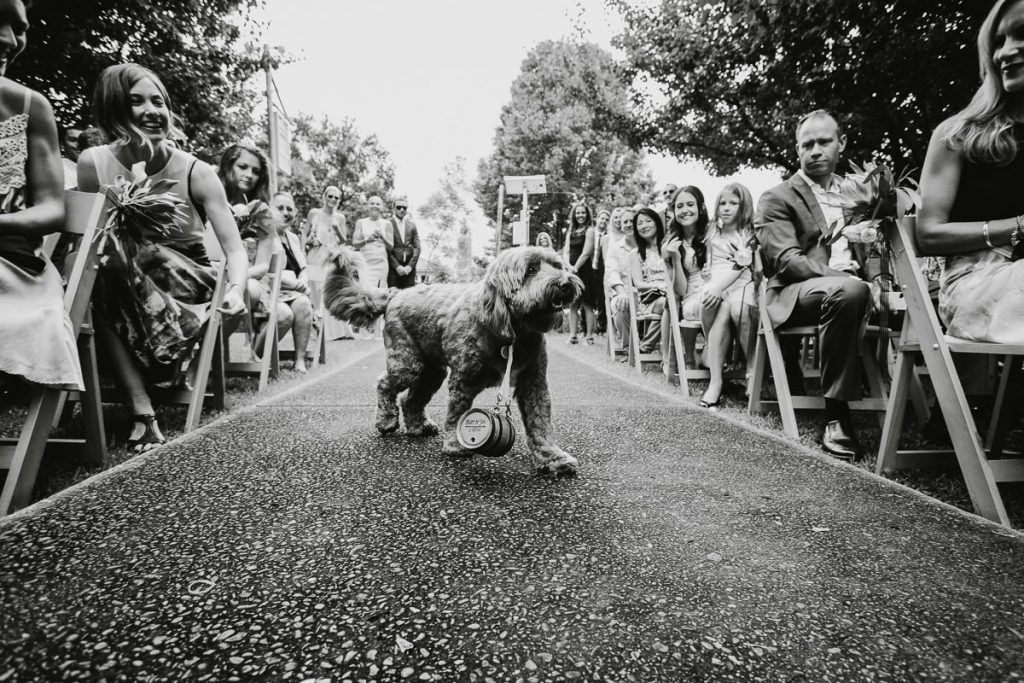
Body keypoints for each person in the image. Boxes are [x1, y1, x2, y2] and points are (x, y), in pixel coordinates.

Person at [77, 63, 248, 453]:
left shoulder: (198, 171)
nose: (152, 110)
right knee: (97, 264)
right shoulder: (93, 163)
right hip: (117, 279)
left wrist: (236, 289)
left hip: (187, 279)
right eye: (136, 101)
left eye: (159, 101)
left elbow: (235, 250)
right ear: (114, 107)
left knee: (133, 256)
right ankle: (142, 409)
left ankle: (160, 365)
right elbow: (88, 239)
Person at [755, 109, 887, 460]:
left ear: (841, 143)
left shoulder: (858, 192)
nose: (815, 150)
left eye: (824, 141)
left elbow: (873, 249)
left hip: (854, 289)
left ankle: (938, 418)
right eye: (807, 144)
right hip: (796, 291)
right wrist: (854, 280)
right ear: (797, 150)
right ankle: (837, 416)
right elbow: (789, 262)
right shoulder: (777, 198)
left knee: (918, 298)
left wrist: (879, 281)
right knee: (850, 292)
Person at [917, 0, 1024, 346]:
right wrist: (1018, 228)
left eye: (1021, 35)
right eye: (998, 41)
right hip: (975, 284)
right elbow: (928, 233)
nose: (1006, 52)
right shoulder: (958, 135)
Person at [0, 0, 83, 397]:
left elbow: (53, 208)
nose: (8, 39)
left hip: (14, 269)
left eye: (19, 28)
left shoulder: (31, 106)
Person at [698, 183, 756, 409]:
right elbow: (712, 263)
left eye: (733, 203)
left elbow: (743, 265)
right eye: (723, 203)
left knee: (730, 307)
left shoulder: (749, 233)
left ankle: (719, 380)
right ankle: (716, 373)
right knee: (710, 302)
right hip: (716, 282)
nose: (727, 208)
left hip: (742, 284)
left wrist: (719, 287)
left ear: (744, 206)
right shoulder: (713, 232)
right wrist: (707, 274)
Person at [610, 208, 687, 356]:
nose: (644, 226)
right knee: (666, 301)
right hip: (649, 299)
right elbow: (638, 284)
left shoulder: (668, 247)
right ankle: (654, 349)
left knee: (672, 301)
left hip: (674, 293)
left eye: (648, 221)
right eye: (639, 223)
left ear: (657, 222)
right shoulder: (636, 254)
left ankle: (649, 346)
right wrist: (660, 285)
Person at [253, 191, 315, 372]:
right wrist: (296, 284)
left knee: (303, 303)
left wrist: (302, 281)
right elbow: (268, 272)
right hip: (270, 291)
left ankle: (299, 360)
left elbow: (303, 267)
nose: (286, 212)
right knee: (284, 314)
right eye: (280, 208)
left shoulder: (293, 238)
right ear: (269, 209)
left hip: (294, 292)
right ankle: (257, 357)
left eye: (290, 209)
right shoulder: (261, 235)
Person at [217, 142, 276, 329]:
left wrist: (236, 278)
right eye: (242, 167)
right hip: (211, 272)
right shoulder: (210, 200)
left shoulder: (263, 214)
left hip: (250, 279)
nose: (249, 175)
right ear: (228, 166)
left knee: (246, 289)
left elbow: (263, 266)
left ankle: (207, 355)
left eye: (256, 171)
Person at [662, 185, 711, 367]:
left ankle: (712, 350)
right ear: (673, 211)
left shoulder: (713, 234)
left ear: (700, 207)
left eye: (690, 204)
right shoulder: (671, 245)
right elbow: (680, 290)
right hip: (692, 297)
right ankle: (698, 354)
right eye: (679, 206)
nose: (685, 210)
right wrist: (675, 259)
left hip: (718, 289)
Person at [304, 185, 351, 340]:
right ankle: (314, 329)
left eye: (336, 198)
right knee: (314, 291)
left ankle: (332, 332)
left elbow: (344, 240)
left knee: (328, 290)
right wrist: (306, 244)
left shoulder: (340, 218)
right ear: (324, 196)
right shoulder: (314, 213)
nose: (333, 200)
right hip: (315, 255)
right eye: (330, 196)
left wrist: (337, 230)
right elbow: (304, 235)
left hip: (331, 256)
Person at [352, 195, 390, 337]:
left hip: (381, 263)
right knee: (365, 295)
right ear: (367, 205)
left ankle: (377, 330)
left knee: (379, 295)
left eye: (378, 204)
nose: (375, 206)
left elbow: (391, 246)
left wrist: (382, 237)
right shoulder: (360, 222)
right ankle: (364, 329)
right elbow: (355, 244)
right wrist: (367, 239)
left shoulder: (386, 224)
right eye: (372, 203)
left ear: (382, 207)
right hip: (365, 263)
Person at [563, 202, 598, 345]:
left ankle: (589, 336)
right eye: (578, 213)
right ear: (574, 215)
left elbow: (586, 252)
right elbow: (566, 251)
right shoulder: (570, 231)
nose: (580, 215)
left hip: (585, 270)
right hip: (571, 270)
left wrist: (575, 268)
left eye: (583, 212)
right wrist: (568, 266)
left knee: (587, 303)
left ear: (587, 214)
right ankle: (573, 336)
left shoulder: (590, 230)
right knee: (573, 304)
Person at [386, 196, 420, 288]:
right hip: (393, 270)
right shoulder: (387, 224)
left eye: (404, 208)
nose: (401, 210)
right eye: (399, 207)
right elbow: (386, 248)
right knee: (393, 299)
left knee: (409, 300)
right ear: (394, 208)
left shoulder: (412, 225)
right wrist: (397, 266)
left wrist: (410, 266)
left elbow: (417, 247)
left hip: (409, 271)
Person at [60, 125, 83, 189]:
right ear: (62, 145)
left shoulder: (89, 168)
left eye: (82, 141)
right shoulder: (59, 166)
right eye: (73, 140)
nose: (79, 144)